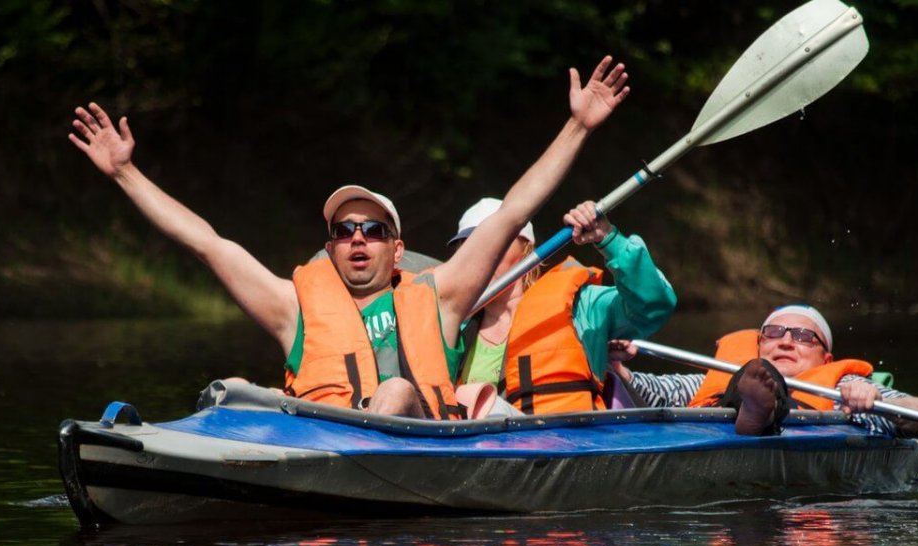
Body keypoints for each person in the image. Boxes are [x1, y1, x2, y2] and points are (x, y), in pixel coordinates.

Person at [69, 58, 630, 419]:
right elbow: (206, 242)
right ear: (332, 245)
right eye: (344, 231)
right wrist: (125, 173)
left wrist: (578, 126)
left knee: (396, 393)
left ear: (396, 248)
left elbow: (512, 213)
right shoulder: (295, 308)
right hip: (319, 446)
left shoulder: (442, 296)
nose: (357, 238)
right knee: (233, 388)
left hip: (412, 446)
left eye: (373, 230)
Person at [451, 197, 676, 415]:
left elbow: (653, 305)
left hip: (563, 446)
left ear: (526, 249)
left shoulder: (582, 308)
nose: (476, 254)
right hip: (480, 448)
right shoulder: (452, 326)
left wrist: (609, 240)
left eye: (490, 241)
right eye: (467, 246)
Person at [607, 304, 918, 437]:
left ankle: (762, 413)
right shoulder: (721, 376)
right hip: (735, 413)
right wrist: (616, 364)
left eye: (802, 337)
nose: (785, 342)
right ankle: (755, 410)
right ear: (760, 346)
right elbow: (647, 391)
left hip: (804, 433)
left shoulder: (845, 383)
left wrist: (874, 398)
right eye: (773, 333)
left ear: (826, 359)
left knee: (754, 388)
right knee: (742, 384)